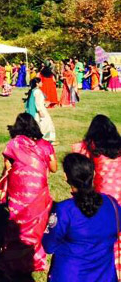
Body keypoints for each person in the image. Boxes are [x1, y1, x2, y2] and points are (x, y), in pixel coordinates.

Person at [0, 113, 57, 276]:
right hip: (38, 189)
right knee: (37, 223)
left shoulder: (14, 144)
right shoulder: (45, 145)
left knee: (17, 221)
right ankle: (35, 257)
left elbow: (7, 166)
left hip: (18, 189)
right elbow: (54, 168)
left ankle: (11, 256)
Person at [43, 153, 120, 281]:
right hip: (105, 276)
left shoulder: (64, 209)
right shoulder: (111, 203)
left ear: (66, 177)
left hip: (70, 275)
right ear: (93, 174)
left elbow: (49, 245)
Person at [72, 114, 121, 278]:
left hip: (103, 197)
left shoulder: (90, 147)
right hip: (119, 195)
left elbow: (77, 159)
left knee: (104, 234)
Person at [24, 77, 56, 143]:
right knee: (46, 124)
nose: (42, 83)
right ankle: (47, 140)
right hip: (39, 111)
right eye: (41, 82)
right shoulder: (37, 91)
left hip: (39, 109)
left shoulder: (33, 91)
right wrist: (40, 111)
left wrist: (45, 104)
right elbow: (37, 102)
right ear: (37, 83)